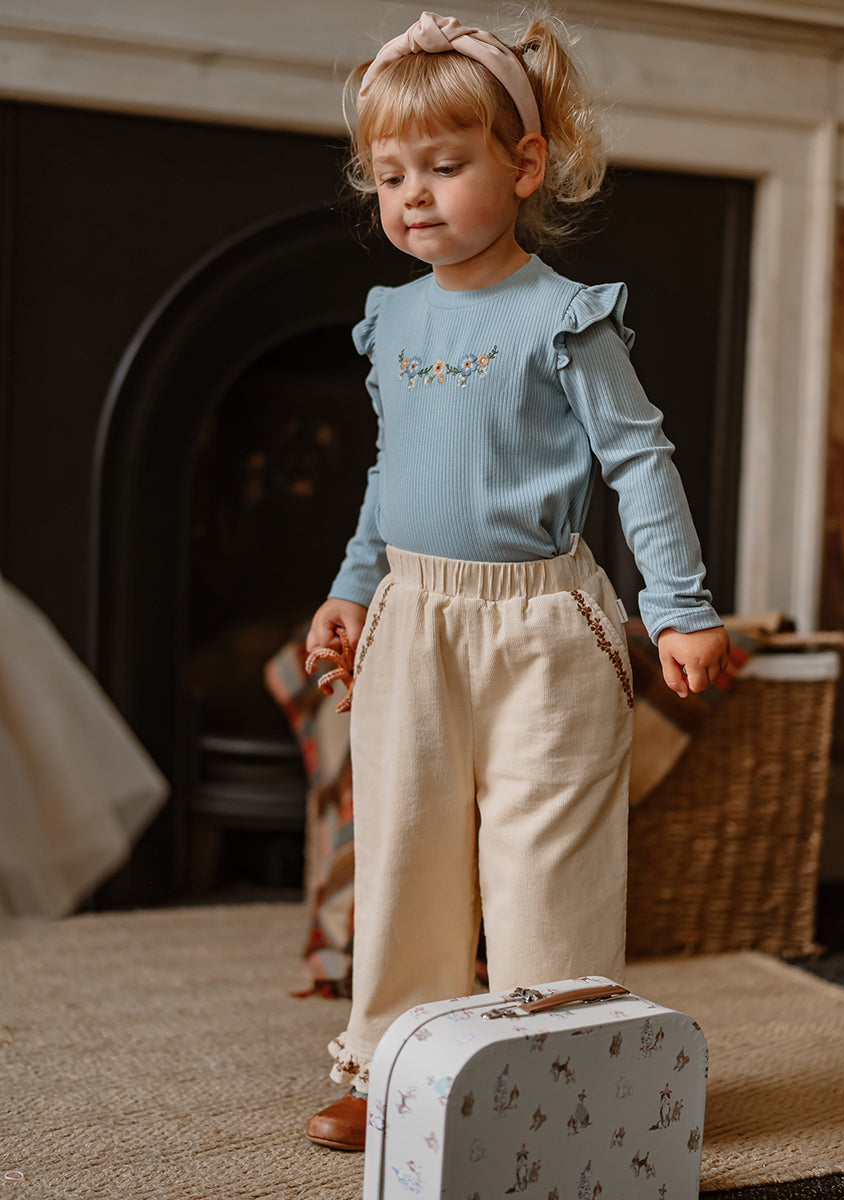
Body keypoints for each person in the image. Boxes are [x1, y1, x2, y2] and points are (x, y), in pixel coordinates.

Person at [303, 9, 731, 1151]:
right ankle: (393, 1067)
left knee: (548, 862)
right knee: (406, 848)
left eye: (445, 167)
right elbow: (393, 471)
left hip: (544, 627)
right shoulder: (392, 319)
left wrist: (679, 609)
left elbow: (640, 462)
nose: (415, 196)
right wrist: (352, 587)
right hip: (410, 618)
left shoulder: (566, 317)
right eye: (392, 174)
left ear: (524, 164)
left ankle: (562, 1078)